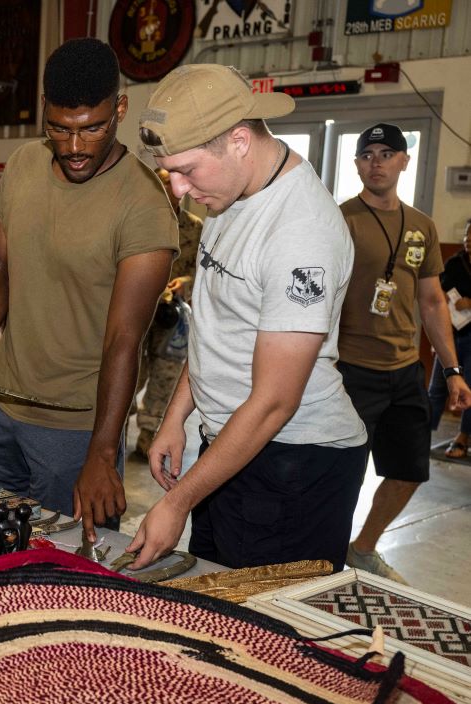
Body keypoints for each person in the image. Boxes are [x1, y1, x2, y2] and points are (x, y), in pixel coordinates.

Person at [128, 63, 369, 571]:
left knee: (265, 632)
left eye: (186, 170)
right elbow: (219, 325)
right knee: (214, 609)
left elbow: (275, 401)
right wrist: (177, 417)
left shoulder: (301, 234)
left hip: (293, 462)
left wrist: (176, 502)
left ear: (239, 140)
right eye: (168, 172)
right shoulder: (228, 195)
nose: (178, 190)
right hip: (232, 449)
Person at [0, 39, 177, 531]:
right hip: (1, 410)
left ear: (121, 109)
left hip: (76, 427)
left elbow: (123, 340)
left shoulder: (145, 205)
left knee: (62, 573)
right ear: (43, 109)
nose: (74, 147)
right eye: (60, 129)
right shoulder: (25, 164)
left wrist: (102, 453)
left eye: (93, 129)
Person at [338, 123, 471, 582]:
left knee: (410, 469)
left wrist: (451, 370)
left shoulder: (422, 226)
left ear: (403, 161)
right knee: (342, 475)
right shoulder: (341, 220)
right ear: (356, 164)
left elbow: (433, 302)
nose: (376, 161)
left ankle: (362, 548)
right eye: (367, 153)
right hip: (349, 369)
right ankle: (324, 554)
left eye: (386, 153)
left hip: (405, 370)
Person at [134, 168, 203, 459]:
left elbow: (201, 271)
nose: (169, 189)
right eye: (162, 183)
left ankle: (149, 433)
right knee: (130, 370)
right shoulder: (137, 224)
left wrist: (185, 282)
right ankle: (116, 425)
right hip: (136, 311)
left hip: (171, 317)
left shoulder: (194, 226)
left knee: (166, 373)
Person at [428, 219, 471, 459]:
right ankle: (423, 434)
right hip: (452, 333)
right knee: (437, 387)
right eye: (466, 235)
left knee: (470, 388)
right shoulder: (455, 263)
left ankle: (463, 437)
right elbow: (436, 290)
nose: (469, 240)